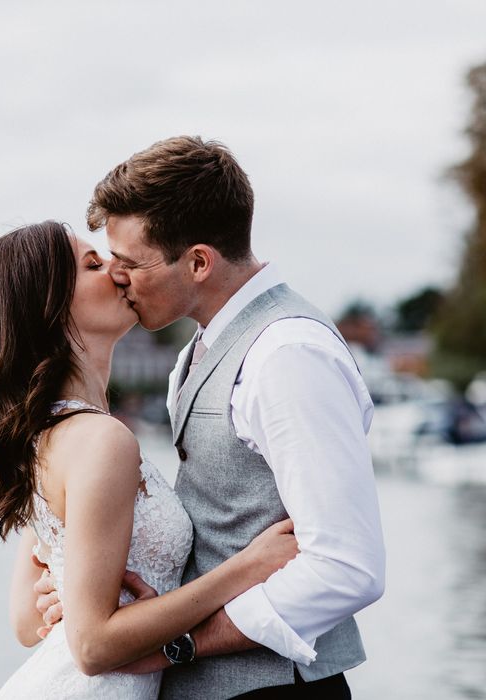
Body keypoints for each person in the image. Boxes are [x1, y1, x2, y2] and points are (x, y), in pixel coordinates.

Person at [36, 136, 386, 698]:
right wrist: (100, 595)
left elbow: (347, 567)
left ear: (198, 261)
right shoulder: (196, 353)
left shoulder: (286, 356)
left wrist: (185, 643)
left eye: (130, 262)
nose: (118, 277)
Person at [0, 221, 299, 698]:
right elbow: (91, 648)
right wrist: (246, 568)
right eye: (93, 264)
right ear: (49, 313)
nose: (116, 267)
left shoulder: (48, 434)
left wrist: (66, 594)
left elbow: (27, 621)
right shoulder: (100, 441)